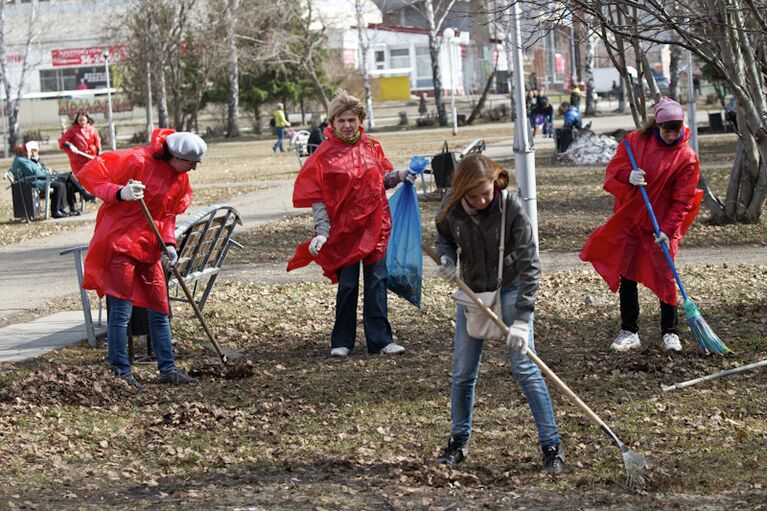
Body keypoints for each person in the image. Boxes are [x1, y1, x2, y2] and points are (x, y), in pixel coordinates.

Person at [432, 154, 565, 473]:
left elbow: (530, 265)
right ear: (460, 190)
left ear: (496, 182)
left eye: (486, 193)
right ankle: (458, 442)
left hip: (511, 289)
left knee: (525, 367)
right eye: (473, 195)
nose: (480, 200)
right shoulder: (450, 206)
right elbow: (444, 238)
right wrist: (447, 260)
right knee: (463, 371)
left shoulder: (511, 208)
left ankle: (551, 445)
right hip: (472, 292)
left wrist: (522, 319)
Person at [74, 129, 206, 389]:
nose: (193, 169)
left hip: (149, 247)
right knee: (121, 312)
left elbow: (167, 217)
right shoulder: (137, 160)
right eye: (190, 163)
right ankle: (120, 371)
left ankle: (167, 369)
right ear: (175, 155)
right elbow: (91, 175)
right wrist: (120, 192)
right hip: (120, 242)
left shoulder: (179, 179)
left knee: (160, 309)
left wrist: (169, 243)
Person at [288, 90, 414, 357]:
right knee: (348, 285)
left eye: (352, 120)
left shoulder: (371, 147)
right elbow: (318, 196)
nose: (347, 125)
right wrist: (321, 232)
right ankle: (342, 340)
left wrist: (401, 175)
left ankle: (380, 340)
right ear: (332, 122)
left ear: (360, 121)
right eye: (341, 120)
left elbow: (382, 179)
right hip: (343, 231)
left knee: (377, 282)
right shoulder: (324, 154)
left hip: (376, 225)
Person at [580, 98, 702, 353]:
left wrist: (667, 231)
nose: (671, 136)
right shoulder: (636, 143)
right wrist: (628, 176)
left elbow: (683, 200)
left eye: (675, 130)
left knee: (666, 276)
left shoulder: (686, 157)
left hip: (663, 225)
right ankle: (629, 330)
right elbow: (616, 170)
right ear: (657, 126)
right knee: (627, 273)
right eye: (666, 130)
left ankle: (670, 331)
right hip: (634, 220)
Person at [25, 141, 96, 215]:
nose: (35, 152)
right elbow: (39, 173)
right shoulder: (30, 162)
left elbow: (43, 169)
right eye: (34, 151)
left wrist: (49, 170)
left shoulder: (37, 160)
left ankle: (73, 208)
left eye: (36, 150)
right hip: (45, 181)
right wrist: (48, 171)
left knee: (69, 182)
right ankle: (83, 193)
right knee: (68, 176)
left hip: (50, 177)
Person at [11, 143, 69, 218]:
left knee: (60, 184)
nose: (31, 153)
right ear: (23, 151)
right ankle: (55, 211)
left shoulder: (21, 158)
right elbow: (35, 172)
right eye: (29, 151)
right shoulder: (22, 161)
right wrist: (48, 173)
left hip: (30, 180)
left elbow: (35, 170)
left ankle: (59, 209)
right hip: (30, 183)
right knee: (59, 185)